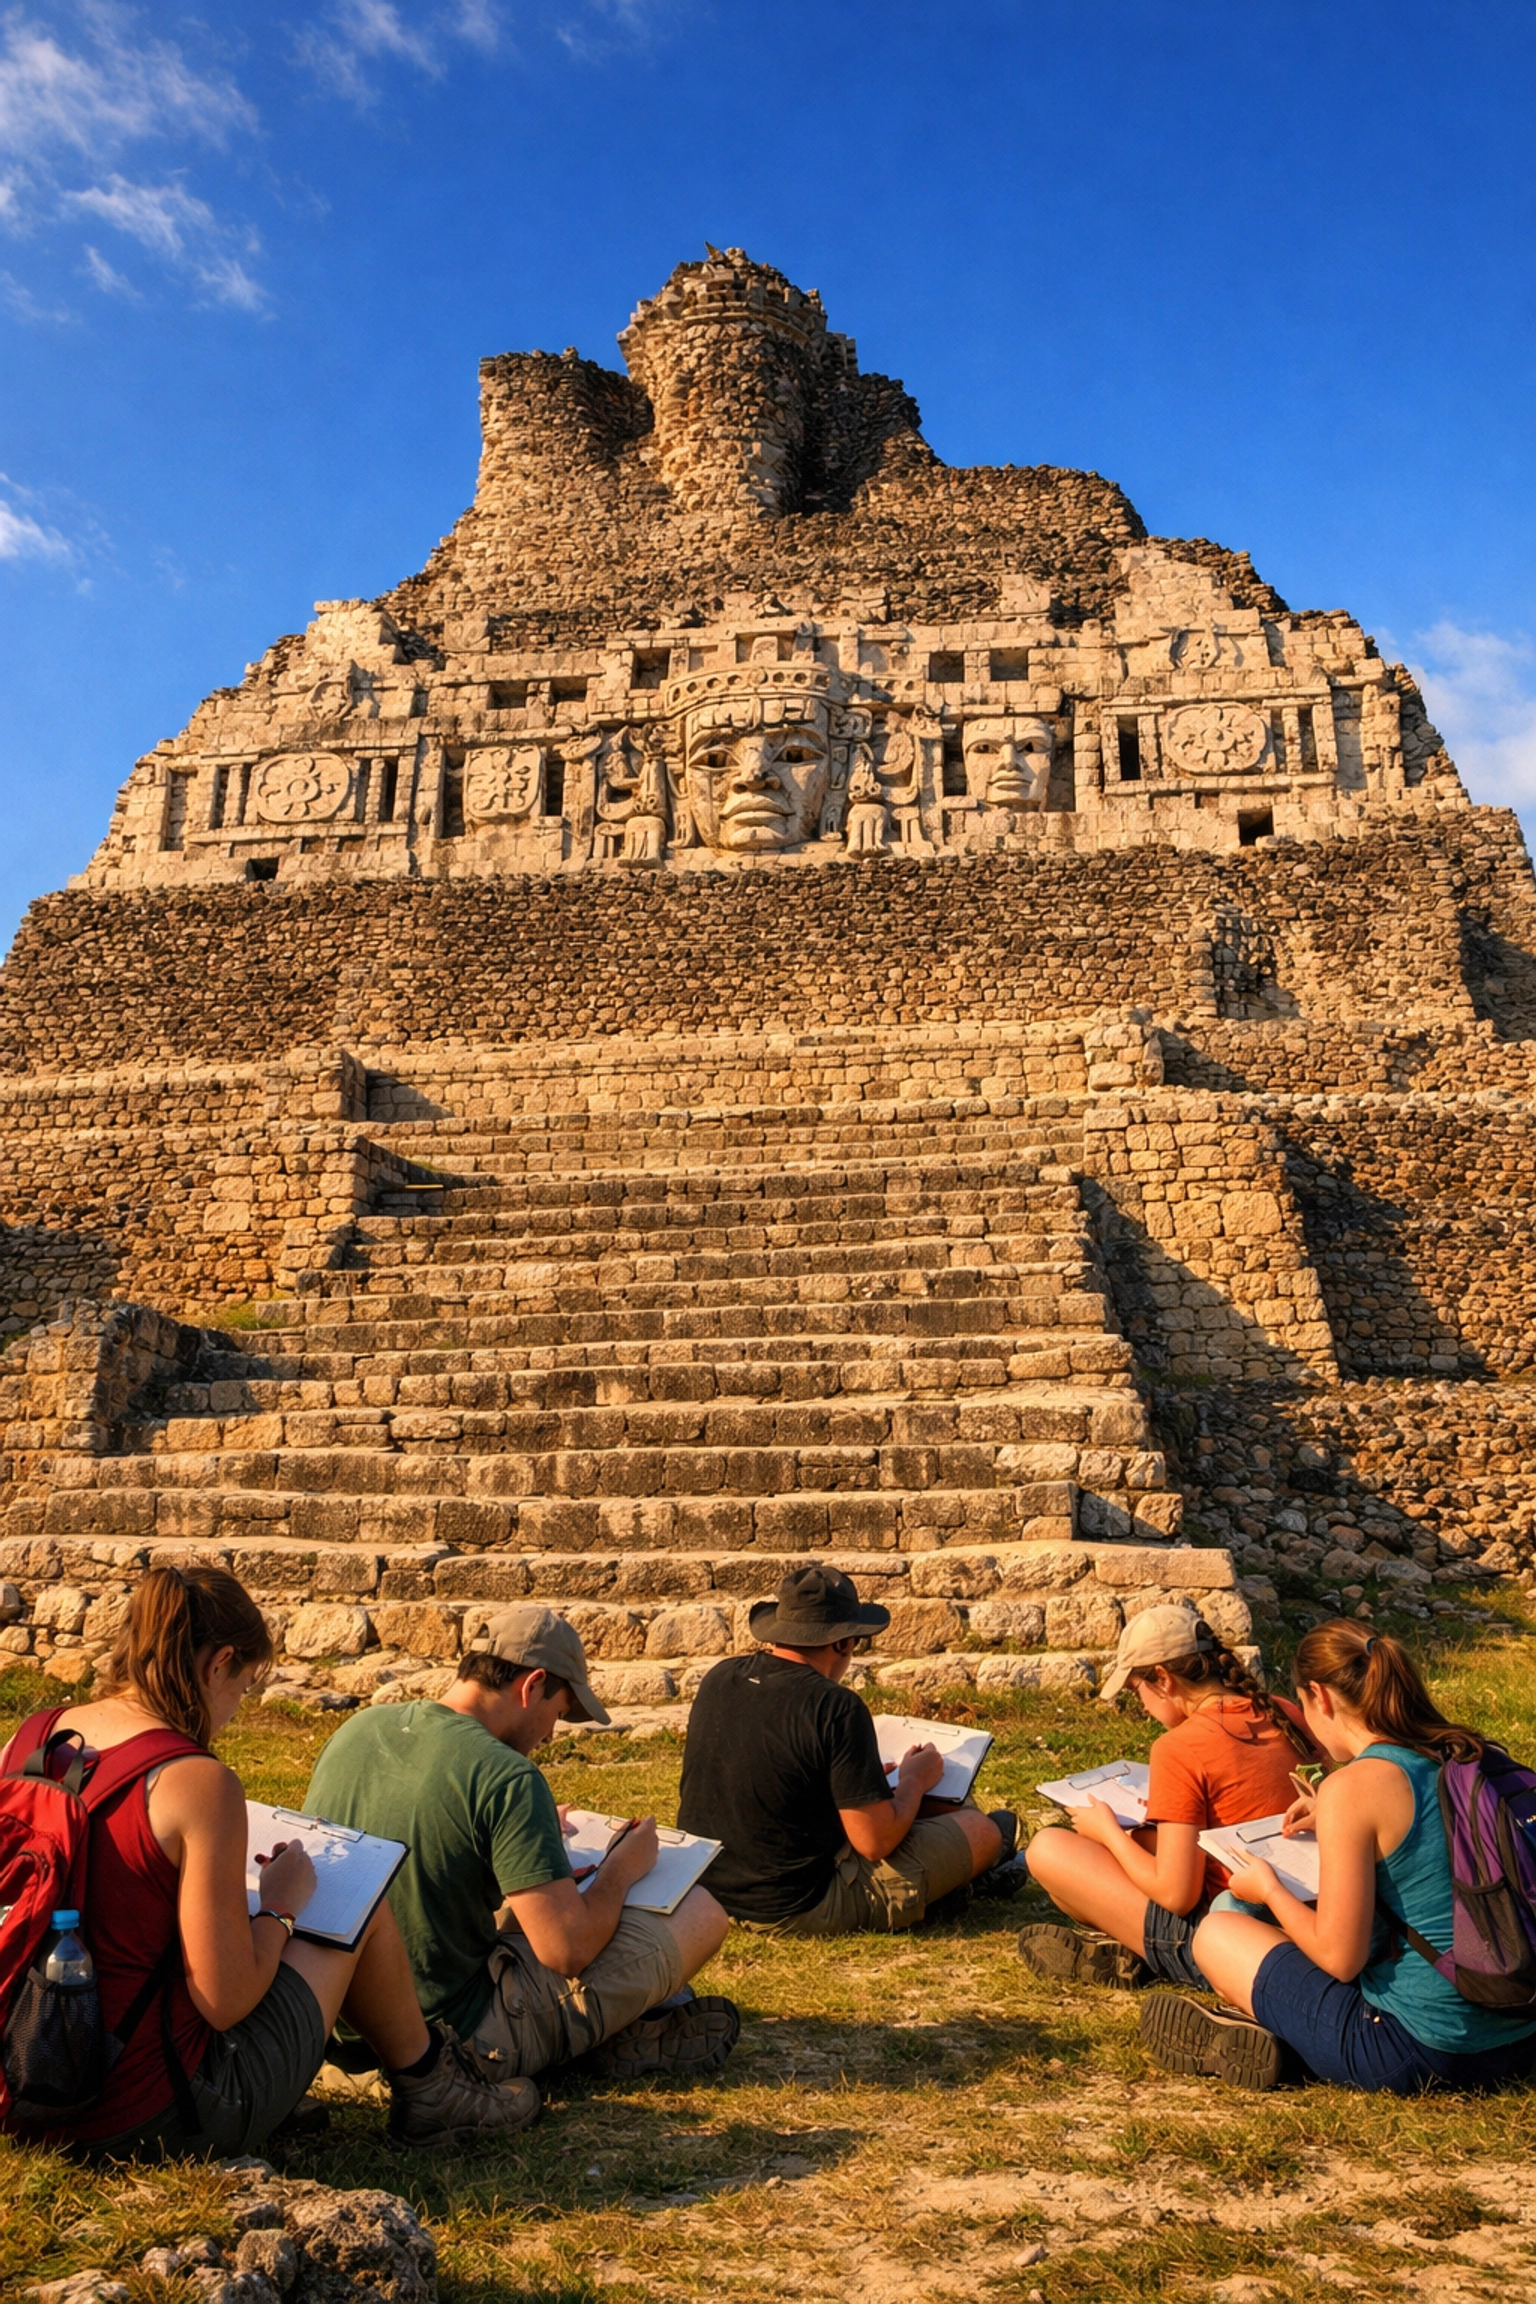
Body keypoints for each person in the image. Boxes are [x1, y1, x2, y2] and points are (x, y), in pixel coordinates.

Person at [0, 1566, 541, 2158]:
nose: (236, 1704)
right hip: (147, 2113)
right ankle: (433, 2090)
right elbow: (225, 1998)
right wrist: (279, 1906)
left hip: (25, 2080)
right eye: (244, 1684)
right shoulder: (195, 1783)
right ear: (218, 1664)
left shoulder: (32, 1739)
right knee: (356, 1895)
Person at [305, 1606, 740, 2085]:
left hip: (342, 2026)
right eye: (557, 1714)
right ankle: (607, 2037)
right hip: (450, 2041)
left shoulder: (358, 1730)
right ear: (533, 1686)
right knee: (700, 1913)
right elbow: (566, 1950)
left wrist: (527, 1839)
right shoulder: (507, 1775)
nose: (551, 1735)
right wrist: (622, 1868)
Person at [1140, 1621, 1536, 2093]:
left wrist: (1267, 1888)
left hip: (1426, 2051)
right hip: (1521, 2030)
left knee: (1218, 1932)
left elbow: (1338, 1958)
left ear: (1319, 1697)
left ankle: (1290, 2049)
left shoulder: (1355, 1787)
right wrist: (1331, 1805)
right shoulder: (1464, 1750)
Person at [676, 1564, 1011, 1935]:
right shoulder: (836, 1706)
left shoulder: (721, 1677)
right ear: (843, 1642)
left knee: (942, 1816)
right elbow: (873, 1842)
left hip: (704, 1892)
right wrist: (913, 1781)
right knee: (981, 1830)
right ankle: (968, 1877)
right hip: (791, 1906)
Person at [1019, 1603, 1315, 1992]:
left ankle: (1156, 1956)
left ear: (1162, 1679)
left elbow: (1177, 1895)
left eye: (1136, 1690)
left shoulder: (1179, 1748)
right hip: (1306, 1917)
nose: (1141, 1706)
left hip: (1232, 1936)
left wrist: (1109, 1832)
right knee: (1140, 1840)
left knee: (1048, 1849)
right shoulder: (1283, 1711)